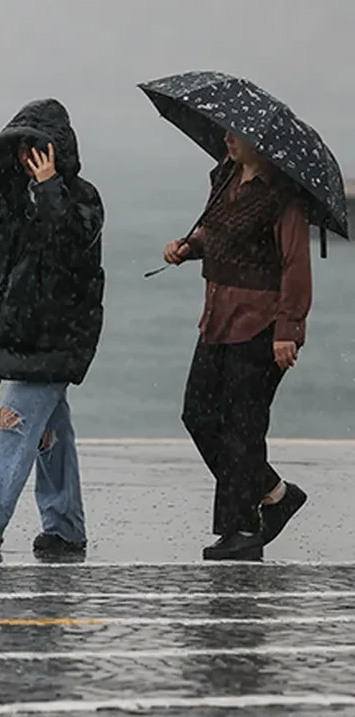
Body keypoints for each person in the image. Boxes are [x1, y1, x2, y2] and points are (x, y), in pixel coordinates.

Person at [0, 99, 105, 559]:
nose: (27, 159)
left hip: (59, 332)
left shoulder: (81, 197)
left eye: (36, 149)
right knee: (52, 436)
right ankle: (66, 527)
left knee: (11, 422)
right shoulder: (13, 203)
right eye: (20, 150)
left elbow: (73, 243)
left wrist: (50, 186)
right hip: (20, 332)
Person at [163, 129, 311, 561]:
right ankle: (275, 494)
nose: (228, 138)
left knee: (243, 428)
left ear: (263, 142)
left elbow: (295, 263)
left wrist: (289, 328)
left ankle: (242, 530)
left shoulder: (283, 194)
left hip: (262, 324)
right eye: (227, 130)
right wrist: (189, 247)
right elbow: (218, 232)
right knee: (198, 414)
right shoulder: (225, 176)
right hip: (216, 318)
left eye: (239, 134)